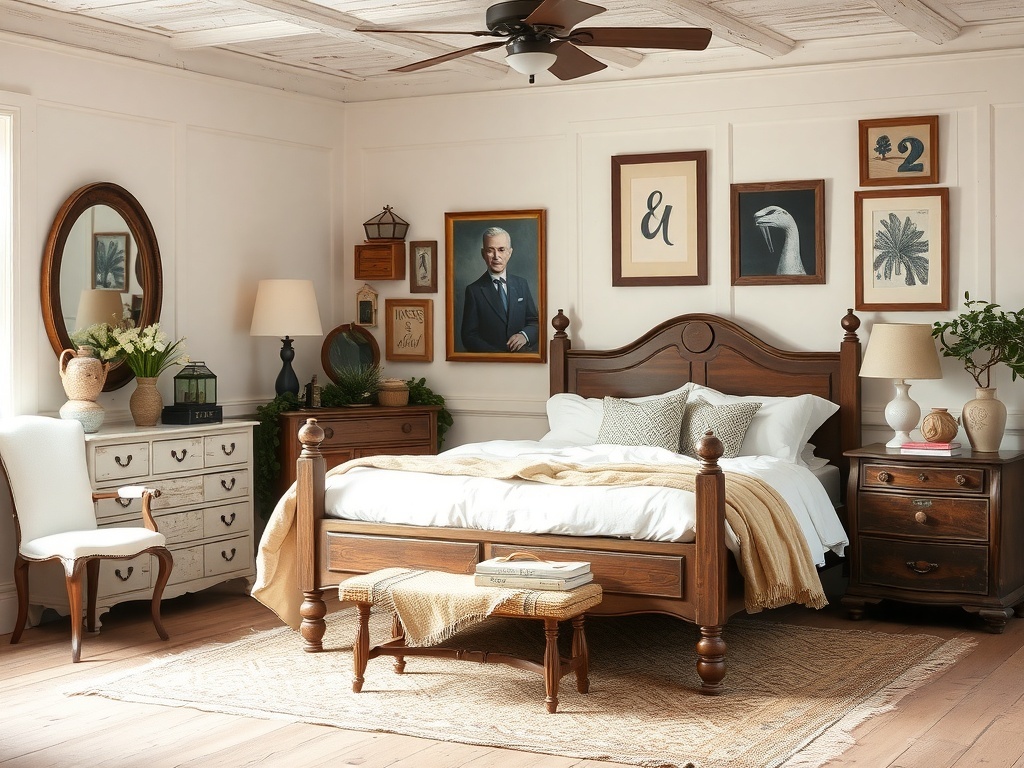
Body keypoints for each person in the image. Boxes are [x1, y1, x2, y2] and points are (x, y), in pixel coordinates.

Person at [460, 226, 539, 353]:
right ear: (483, 254)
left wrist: (525, 335)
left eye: (501, 250)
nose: (496, 256)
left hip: (524, 360)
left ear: (510, 252)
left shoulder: (521, 284)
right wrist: (498, 355)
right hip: (491, 364)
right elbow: (469, 336)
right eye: (490, 250)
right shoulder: (474, 290)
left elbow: (535, 322)